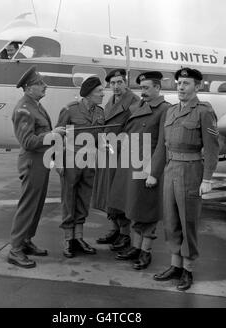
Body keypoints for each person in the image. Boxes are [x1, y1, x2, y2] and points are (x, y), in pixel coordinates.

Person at [153, 67, 219, 291]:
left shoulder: (204, 112)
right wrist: (155, 173)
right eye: (179, 83)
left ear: (197, 86)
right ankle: (175, 266)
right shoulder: (171, 111)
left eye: (186, 84)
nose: (181, 87)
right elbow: (163, 146)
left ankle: (188, 270)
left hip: (191, 171)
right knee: (171, 221)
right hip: (171, 170)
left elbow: (212, 149)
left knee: (187, 221)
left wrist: (207, 178)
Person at [109, 71, 170, 269]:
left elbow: (162, 144)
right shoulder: (137, 107)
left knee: (148, 211)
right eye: (141, 88)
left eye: (146, 88)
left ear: (158, 88)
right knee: (133, 208)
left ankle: (146, 251)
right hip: (130, 164)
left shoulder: (164, 109)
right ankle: (135, 247)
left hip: (147, 165)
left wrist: (154, 172)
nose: (142, 92)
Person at [8, 66, 65, 268]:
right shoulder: (24, 108)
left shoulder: (35, 105)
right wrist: (54, 134)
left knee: (37, 206)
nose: (45, 86)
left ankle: (25, 241)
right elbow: (28, 142)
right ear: (28, 87)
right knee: (28, 207)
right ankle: (15, 250)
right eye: (40, 83)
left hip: (40, 164)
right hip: (32, 163)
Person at [56, 76, 105, 258]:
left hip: (90, 162)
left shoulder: (100, 112)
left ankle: (79, 237)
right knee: (69, 199)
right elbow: (58, 135)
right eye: (99, 91)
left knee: (84, 200)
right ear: (89, 94)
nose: (103, 94)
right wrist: (59, 161)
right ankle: (68, 239)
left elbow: (100, 137)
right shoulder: (69, 110)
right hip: (70, 161)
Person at [92, 68, 139, 252]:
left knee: (120, 195)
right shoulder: (110, 101)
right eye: (113, 83)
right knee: (108, 194)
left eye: (119, 82)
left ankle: (125, 234)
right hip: (107, 154)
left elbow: (133, 130)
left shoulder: (134, 102)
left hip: (121, 154)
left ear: (125, 82)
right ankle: (115, 229)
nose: (116, 86)